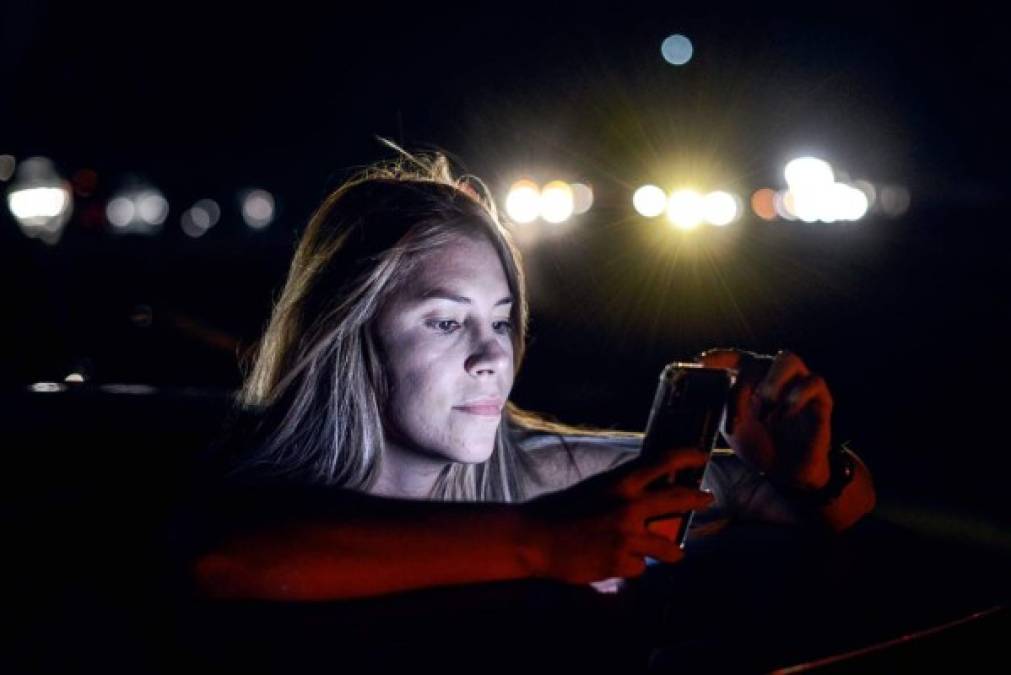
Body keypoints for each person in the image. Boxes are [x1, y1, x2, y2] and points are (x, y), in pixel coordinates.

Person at [184, 144, 877, 602]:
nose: (494, 355)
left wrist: (811, 473)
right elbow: (223, 560)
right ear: (346, 335)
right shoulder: (252, 496)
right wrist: (542, 541)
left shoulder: (551, 476)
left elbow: (836, 512)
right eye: (446, 321)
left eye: (501, 319)